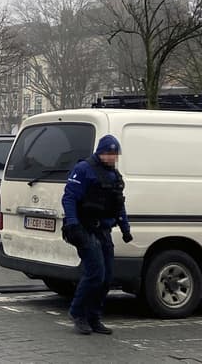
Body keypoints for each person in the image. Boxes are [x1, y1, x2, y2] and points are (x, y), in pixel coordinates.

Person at [61, 134, 133, 335]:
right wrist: (73, 224)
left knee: (107, 276)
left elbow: (119, 205)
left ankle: (94, 317)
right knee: (95, 273)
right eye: (108, 153)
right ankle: (78, 313)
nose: (112, 157)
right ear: (100, 152)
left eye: (114, 154)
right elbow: (69, 198)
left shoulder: (114, 176)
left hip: (103, 230)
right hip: (84, 228)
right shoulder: (84, 169)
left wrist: (126, 229)